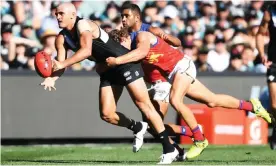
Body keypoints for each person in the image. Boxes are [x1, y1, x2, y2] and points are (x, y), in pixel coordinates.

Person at [109, 3, 273, 159]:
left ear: (137, 17)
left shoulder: (146, 33)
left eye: (126, 16)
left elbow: (164, 46)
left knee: (175, 100)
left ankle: (199, 139)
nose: (123, 19)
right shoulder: (129, 37)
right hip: (172, 74)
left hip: (180, 66)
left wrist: (164, 37)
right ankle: (253, 106)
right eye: (121, 16)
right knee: (212, 100)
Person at [39, 3, 178, 164]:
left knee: (144, 105)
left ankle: (169, 149)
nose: (58, 17)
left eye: (61, 13)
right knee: (107, 114)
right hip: (108, 69)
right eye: (56, 14)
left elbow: (86, 51)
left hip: (124, 62)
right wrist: (52, 78)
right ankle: (137, 127)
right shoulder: (61, 38)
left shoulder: (83, 24)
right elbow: (60, 63)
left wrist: (61, 65)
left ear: (73, 14)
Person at [256, 2, 276, 150]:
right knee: (274, 105)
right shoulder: (269, 13)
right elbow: (260, 34)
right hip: (274, 62)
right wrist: (262, 54)